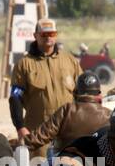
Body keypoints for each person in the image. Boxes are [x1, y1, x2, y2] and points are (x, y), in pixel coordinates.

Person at [9, 17, 79, 158]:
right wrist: (20, 128)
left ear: (56, 35)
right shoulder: (24, 65)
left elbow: (82, 94)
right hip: (38, 135)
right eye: (44, 34)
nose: (48, 38)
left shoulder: (70, 61)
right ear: (35, 36)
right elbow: (15, 98)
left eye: (51, 34)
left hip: (68, 131)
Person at [23, 71, 111, 154]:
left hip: (65, 162)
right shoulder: (108, 115)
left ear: (76, 92)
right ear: (99, 94)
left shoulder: (67, 110)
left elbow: (42, 136)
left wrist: (21, 143)